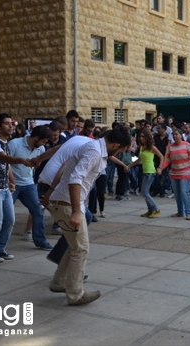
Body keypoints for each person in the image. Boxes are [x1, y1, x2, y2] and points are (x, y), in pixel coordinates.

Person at [47, 126, 131, 306]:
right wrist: (77, 211)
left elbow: (67, 168)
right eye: (121, 149)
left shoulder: (96, 148)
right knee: (81, 249)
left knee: (74, 246)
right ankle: (75, 294)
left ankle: (59, 282)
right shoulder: (94, 151)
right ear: (115, 144)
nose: (119, 153)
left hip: (64, 203)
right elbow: (75, 179)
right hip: (66, 205)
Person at [0, 113, 34, 263]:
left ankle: (1, 248)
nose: (11, 126)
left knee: (10, 219)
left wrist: (12, 181)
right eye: (6, 123)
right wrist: (23, 160)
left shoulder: (6, 143)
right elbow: (4, 158)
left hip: (4, 188)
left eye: (11, 123)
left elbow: (6, 165)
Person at [8, 125, 53, 251]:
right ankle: (0, 242)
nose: (43, 144)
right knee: (6, 214)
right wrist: (10, 181)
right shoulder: (15, 144)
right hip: (13, 183)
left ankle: (40, 240)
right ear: (36, 138)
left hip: (28, 183)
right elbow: (6, 162)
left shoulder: (40, 148)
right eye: (43, 141)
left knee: (38, 211)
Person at [158, 129, 190, 220]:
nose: (175, 136)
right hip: (174, 173)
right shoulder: (170, 147)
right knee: (177, 194)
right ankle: (180, 211)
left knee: (184, 192)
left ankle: (188, 212)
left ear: (181, 135)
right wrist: (161, 168)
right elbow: (167, 160)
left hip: (186, 172)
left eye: (176, 134)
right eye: (173, 134)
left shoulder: (187, 145)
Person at [128, 129, 164, 218]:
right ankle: (150, 210)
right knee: (145, 192)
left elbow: (162, 157)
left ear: (147, 137)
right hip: (144, 171)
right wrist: (129, 166)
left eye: (143, 136)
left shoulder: (152, 147)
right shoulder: (141, 147)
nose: (141, 138)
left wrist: (160, 168)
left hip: (150, 171)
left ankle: (155, 209)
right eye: (140, 136)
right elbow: (139, 159)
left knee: (144, 192)